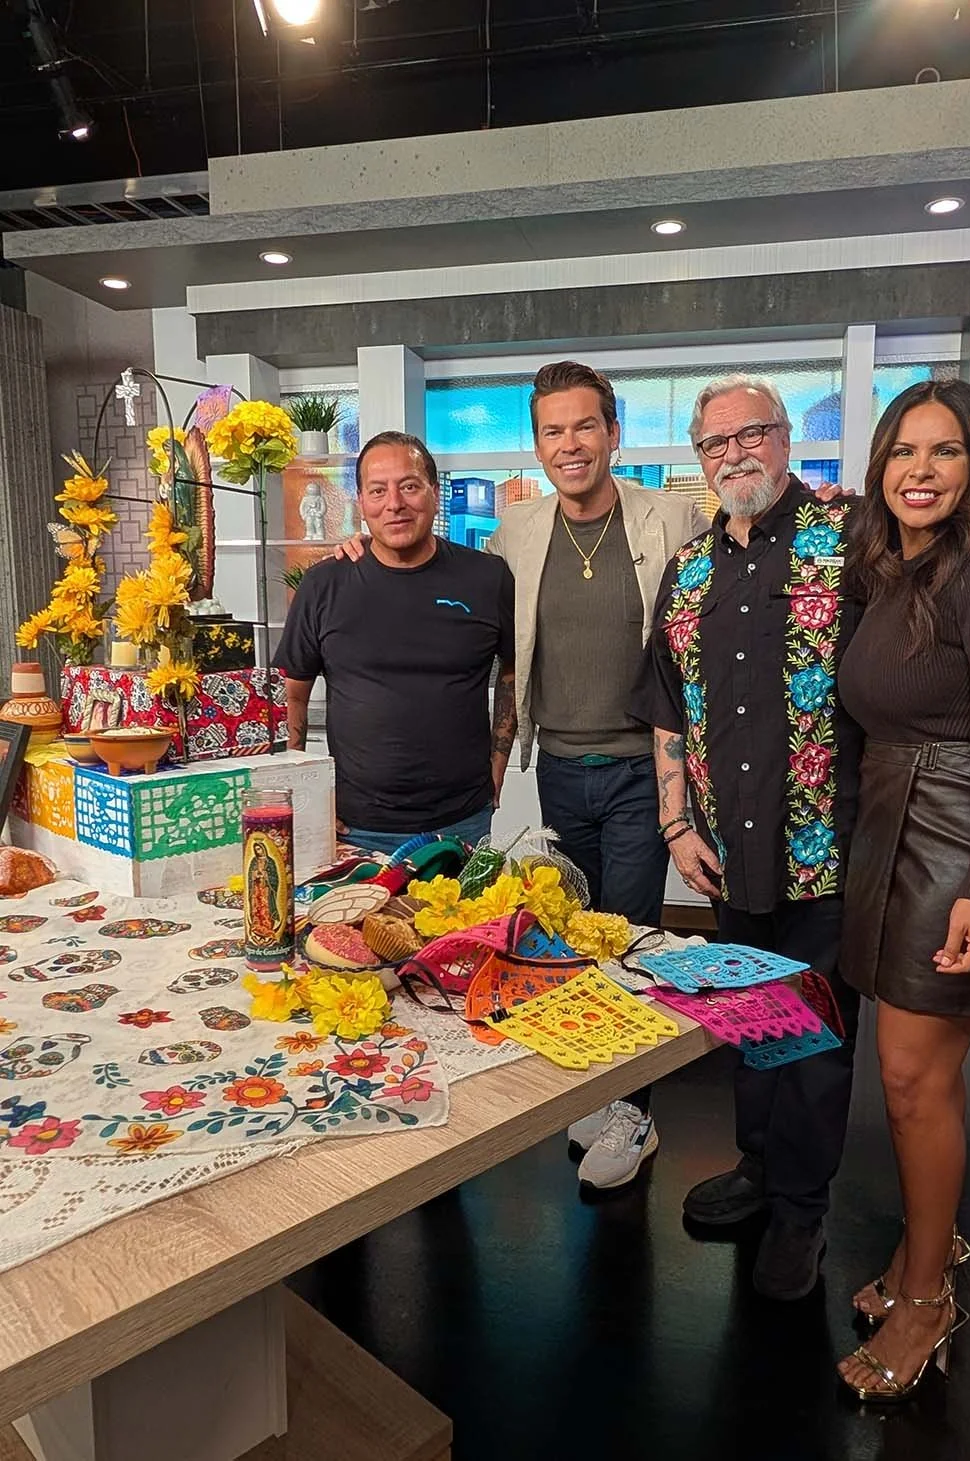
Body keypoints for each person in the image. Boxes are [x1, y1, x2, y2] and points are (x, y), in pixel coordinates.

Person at [336, 362, 706, 1189]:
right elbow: (461, 608)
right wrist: (356, 553)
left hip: (645, 771)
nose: (568, 445)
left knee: (631, 936)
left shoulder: (673, 517)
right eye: (552, 431)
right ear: (537, 443)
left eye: (584, 427)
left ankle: (634, 1113)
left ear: (613, 432)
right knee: (571, 938)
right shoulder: (514, 535)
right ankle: (602, 1089)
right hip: (564, 771)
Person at [835, 380, 970, 1401]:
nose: (918, 471)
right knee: (917, 1076)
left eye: (945, 452)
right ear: (879, 468)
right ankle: (929, 1246)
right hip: (896, 819)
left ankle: (926, 1295)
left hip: (966, 826)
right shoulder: (890, 571)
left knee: (909, 1076)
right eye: (901, 452)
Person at [633, 373, 863, 1300]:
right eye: (714, 443)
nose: (734, 454)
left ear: (786, 440)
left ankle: (803, 1212)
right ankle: (760, 1168)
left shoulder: (850, 545)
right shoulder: (688, 568)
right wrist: (673, 820)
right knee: (751, 1020)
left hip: (826, 851)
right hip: (724, 852)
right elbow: (667, 706)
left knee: (815, 1038)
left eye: (752, 433)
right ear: (699, 461)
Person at [274, 431, 517, 855]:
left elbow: (514, 671)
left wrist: (498, 764)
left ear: (435, 494)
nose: (394, 504)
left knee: (467, 924)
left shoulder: (488, 578)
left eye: (409, 486)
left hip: (463, 822)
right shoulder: (324, 585)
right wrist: (304, 797)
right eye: (378, 490)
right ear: (361, 503)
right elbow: (290, 696)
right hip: (355, 828)